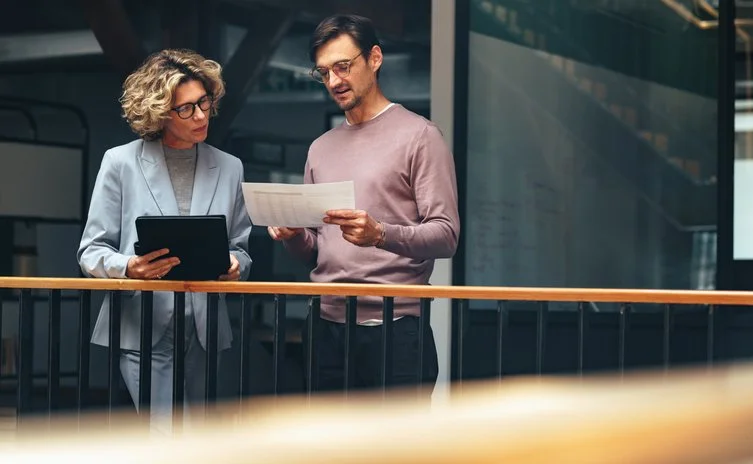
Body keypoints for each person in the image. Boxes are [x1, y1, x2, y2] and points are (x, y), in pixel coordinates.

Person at [268, 15, 459, 398]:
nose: (334, 81)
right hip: (325, 328)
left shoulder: (420, 136)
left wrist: (381, 234)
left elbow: (446, 235)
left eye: (343, 66)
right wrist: (292, 235)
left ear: (374, 58)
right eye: (324, 72)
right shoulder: (320, 148)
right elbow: (317, 252)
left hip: (396, 328)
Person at [77, 49, 253, 433]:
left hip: (205, 329)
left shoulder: (229, 167)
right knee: (165, 437)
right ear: (159, 113)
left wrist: (238, 264)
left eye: (204, 103)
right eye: (186, 109)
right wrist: (129, 267)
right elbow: (91, 250)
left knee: (199, 439)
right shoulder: (120, 163)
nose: (201, 116)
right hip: (143, 324)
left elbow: (240, 246)